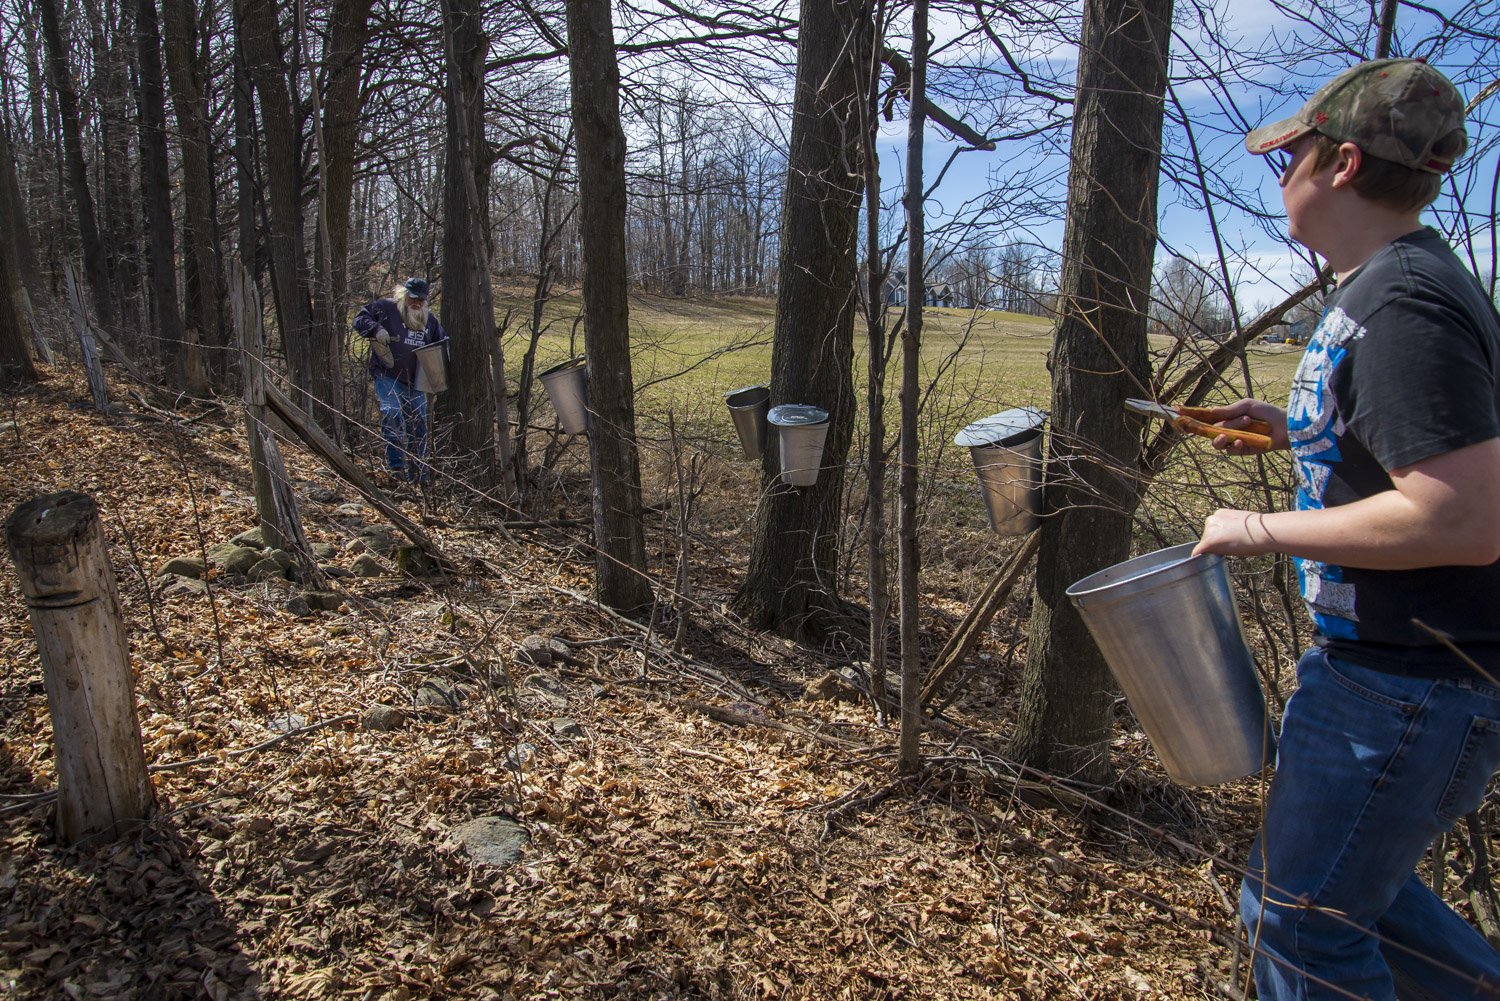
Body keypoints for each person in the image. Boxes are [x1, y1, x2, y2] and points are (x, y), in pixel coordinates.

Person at [1189, 59, 1500, 1000]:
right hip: (1386, 675)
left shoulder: (1400, 303)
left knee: (1301, 931)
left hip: (1405, 686)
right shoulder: (1388, 286)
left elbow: (1464, 515)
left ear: (1342, 164)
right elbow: (1419, 455)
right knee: (1318, 902)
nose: (1280, 172)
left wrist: (1258, 526)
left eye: (1291, 153)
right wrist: (1302, 431)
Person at [352, 277, 447, 483]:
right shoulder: (386, 309)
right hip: (388, 376)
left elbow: (442, 343)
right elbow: (360, 319)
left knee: (419, 425)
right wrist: (377, 330)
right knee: (392, 413)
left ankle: (419, 475)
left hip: (416, 383)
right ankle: (397, 468)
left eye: (421, 300)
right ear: (404, 295)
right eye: (413, 298)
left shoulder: (429, 321)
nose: (416, 303)